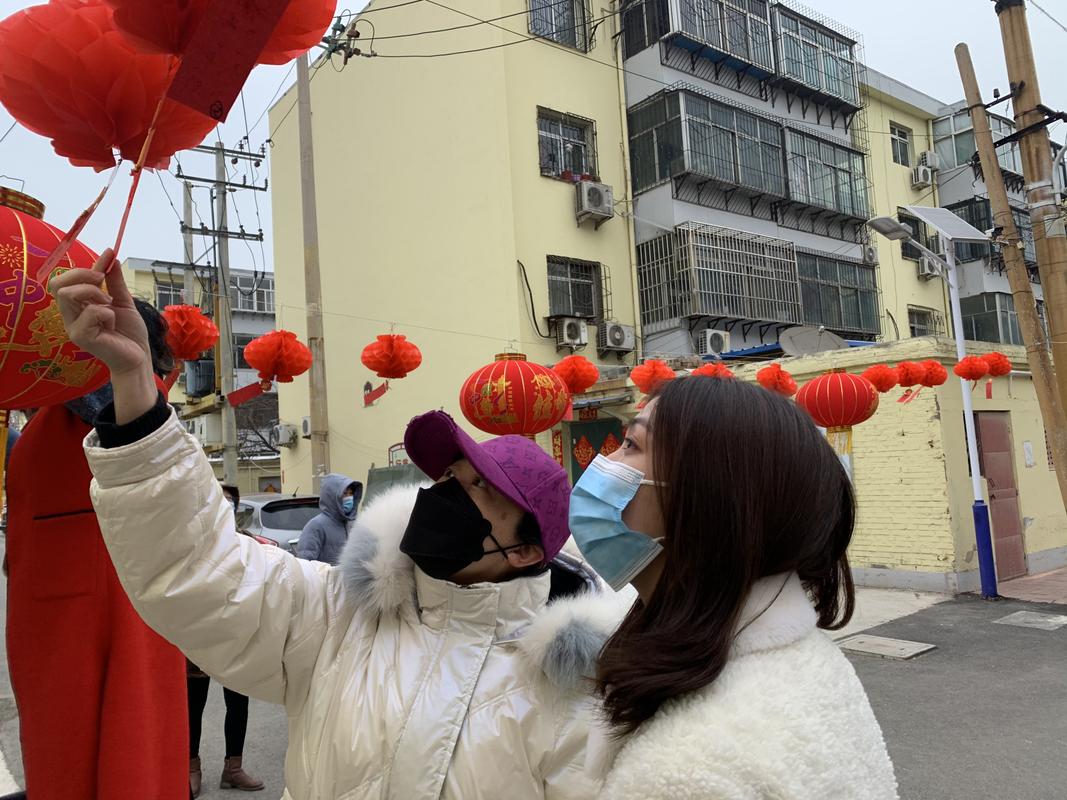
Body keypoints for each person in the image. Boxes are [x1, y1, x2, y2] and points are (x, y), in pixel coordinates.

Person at [50, 250, 624, 800]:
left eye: (478, 488)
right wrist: (134, 380)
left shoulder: (580, 695)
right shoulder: (338, 613)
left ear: (525, 551)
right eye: (451, 474)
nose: (446, 492)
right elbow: (198, 568)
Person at [569, 376, 899, 799]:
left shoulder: (690, 773)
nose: (604, 463)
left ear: (709, 497)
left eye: (631, 445)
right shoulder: (800, 661)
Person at [5, 297, 188, 800]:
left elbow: (110, 401)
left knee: (130, 752)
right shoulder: (45, 417)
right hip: (52, 620)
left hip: (112, 616)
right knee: (62, 757)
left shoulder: (130, 404)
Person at [186, 483, 265, 797]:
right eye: (221, 501)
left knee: (238, 702)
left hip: (236, 635)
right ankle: (191, 768)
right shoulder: (193, 543)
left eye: (231, 502)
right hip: (201, 636)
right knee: (194, 705)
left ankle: (233, 768)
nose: (227, 506)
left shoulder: (246, 542)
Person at [294, 473, 361, 564]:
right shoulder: (316, 526)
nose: (349, 498)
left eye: (351, 493)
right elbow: (305, 563)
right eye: (344, 494)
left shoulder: (352, 524)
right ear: (332, 497)